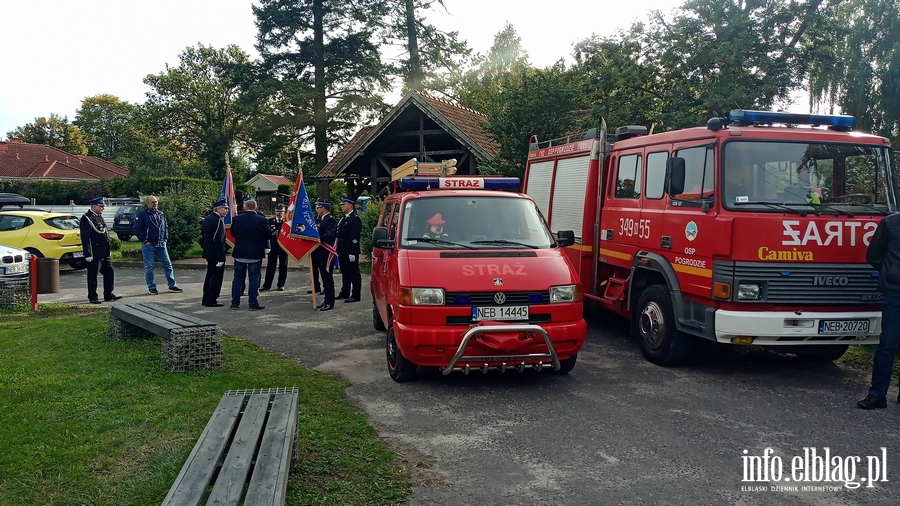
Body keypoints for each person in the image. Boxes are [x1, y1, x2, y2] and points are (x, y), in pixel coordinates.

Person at [857, 212, 900, 409]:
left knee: (887, 346)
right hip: (895, 293)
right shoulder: (889, 223)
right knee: (887, 346)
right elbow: (874, 255)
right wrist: (890, 273)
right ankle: (877, 395)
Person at [133, 195, 182, 295]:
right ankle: (151, 287)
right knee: (149, 266)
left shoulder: (161, 214)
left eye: (156, 202)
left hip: (161, 244)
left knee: (168, 265)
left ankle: (172, 285)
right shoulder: (142, 214)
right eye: (152, 202)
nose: (155, 204)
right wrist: (144, 240)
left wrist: (165, 238)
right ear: (147, 203)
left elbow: (165, 226)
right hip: (149, 245)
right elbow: (136, 229)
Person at [229, 197, 270, 310]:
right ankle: (253, 303)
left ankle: (235, 303)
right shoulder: (261, 219)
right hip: (255, 253)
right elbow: (268, 235)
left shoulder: (237, 219)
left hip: (240, 252)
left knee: (237, 279)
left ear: (244, 207)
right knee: (253, 279)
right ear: (256, 208)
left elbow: (233, 233)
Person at [79, 197, 120, 304]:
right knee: (93, 276)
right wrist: (88, 253)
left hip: (104, 252)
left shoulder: (99, 217)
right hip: (95, 253)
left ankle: (108, 294)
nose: (103, 209)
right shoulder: (86, 218)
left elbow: (104, 233)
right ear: (94, 206)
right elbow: (85, 237)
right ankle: (92, 296)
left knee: (109, 272)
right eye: (101, 206)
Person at [201, 200, 228, 307]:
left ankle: (206, 298)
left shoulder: (207, 219)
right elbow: (218, 240)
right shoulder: (217, 221)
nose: (226, 211)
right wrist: (221, 257)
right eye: (224, 208)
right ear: (217, 209)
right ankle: (211, 299)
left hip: (209, 252)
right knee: (215, 278)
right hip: (216, 254)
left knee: (210, 275)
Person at [312, 199, 338, 311]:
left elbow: (330, 235)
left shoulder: (330, 220)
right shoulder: (320, 219)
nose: (316, 209)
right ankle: (326, 300)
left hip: (326, 253)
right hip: (319, 253)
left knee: (327, 278)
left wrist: (317, 238)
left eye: (318, 207)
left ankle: (329, 302)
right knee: (323, 277)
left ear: (323, 208)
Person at [336, 197, 362, 303]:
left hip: (350, 249)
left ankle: (355, 294)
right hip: (342, 249)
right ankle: (345, 292)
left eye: (343, 204)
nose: (341, 206)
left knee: (353, 272)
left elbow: (354, 237)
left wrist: (352, 252)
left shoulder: (355, 218)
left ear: (350, 206)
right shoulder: (344, 219)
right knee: (345, 271)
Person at [261, 204, 289, 291]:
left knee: (283, 267)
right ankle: (267, 285)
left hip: (283, 247)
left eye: (281, 211)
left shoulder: (287, 223)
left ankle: (281, 284)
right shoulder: (270, 221)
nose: (279, 213)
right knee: (270, 267)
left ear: (284, 212)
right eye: (278, 211)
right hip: (273, 247)